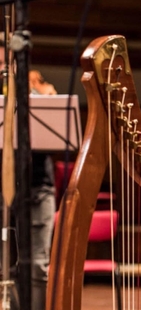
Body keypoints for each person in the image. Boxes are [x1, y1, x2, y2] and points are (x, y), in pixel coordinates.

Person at [0, 45, 57, 310]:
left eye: (5, 63)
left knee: (36, 267)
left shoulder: (39, 93)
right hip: (3, 190)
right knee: (6, 267)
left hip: (37, 190)